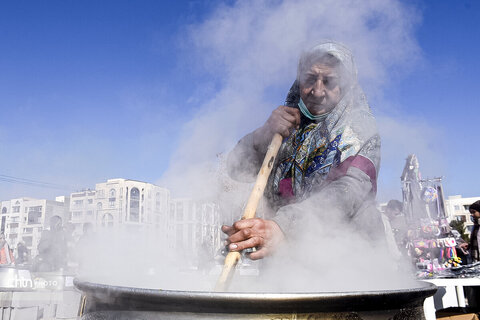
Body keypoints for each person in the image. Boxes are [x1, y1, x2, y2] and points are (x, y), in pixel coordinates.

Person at [224, 41, 382, 260]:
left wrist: (284, 227)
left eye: (329, 82)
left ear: (345, 86)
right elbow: (235, 169)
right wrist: (264, 134)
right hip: (287, 265)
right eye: (310, 79)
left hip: (349, 260)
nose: (317, 91)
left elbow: (348, 190)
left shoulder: (359, 129)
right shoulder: (285, 125)